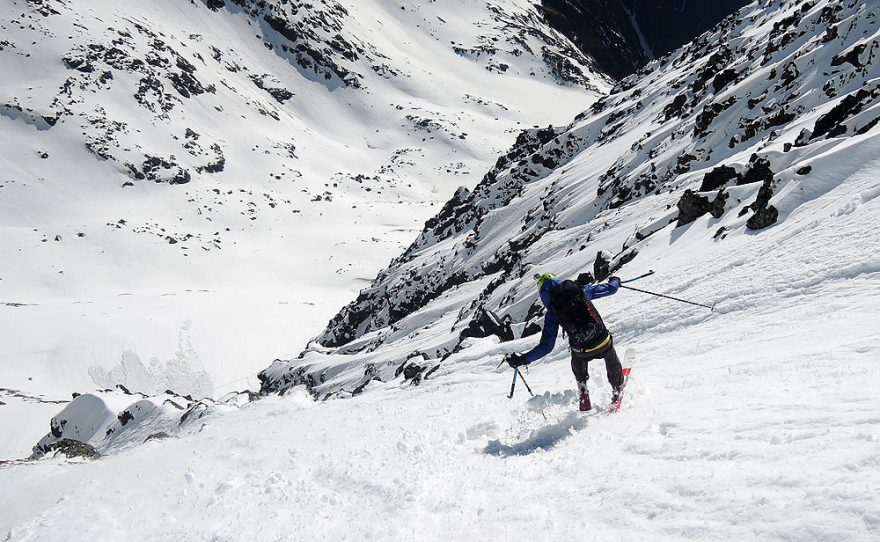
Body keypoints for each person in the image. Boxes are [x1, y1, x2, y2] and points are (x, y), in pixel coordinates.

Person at [506, 273, 624, 411]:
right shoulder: (580, 290)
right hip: (602, 341)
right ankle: (617, 389)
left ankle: (583, 389)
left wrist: (523, 359)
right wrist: (615, 280)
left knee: (577, 356)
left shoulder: (552, 311)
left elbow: (546, 347)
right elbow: (611, 289)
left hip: (581, 351)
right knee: (611, 357)